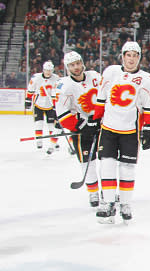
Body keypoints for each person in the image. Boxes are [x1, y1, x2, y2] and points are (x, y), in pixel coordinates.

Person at [93, 41, 150, 224]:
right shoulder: (110, 72)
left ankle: (125, 204)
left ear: (139, 58)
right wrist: (94, 120)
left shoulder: (147, 80)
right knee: (106, 165)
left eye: (135, 55)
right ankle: (107, 202)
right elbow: (101, 97)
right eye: (128, 55)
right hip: (108, 129)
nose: (131, 59)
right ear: (122, 56)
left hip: (130, 131)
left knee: (127, 169)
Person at [55, 51, 102, 207]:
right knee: (88, 162)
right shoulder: (64, 85)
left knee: (108, 160)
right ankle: (93, 193)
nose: (76, 67)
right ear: (67, 68)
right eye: (72, 65)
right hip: (82, 130)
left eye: (77, 63)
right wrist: (81, 125)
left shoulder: (95, 76)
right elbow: (62, 111)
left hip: (101, 125)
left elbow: (107, 96)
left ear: (82, 63)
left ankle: (108, 190)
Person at [25, 60, 60, 154]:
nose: (48, 72)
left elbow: (59, 93)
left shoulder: (56, 79)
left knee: (51, 125)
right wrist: (28, 100)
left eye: (50, 70)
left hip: (51, 105)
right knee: (38, 123)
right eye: (46, 70)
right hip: (38, 104)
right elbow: (30, 89)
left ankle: (53, 142)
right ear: (43, 70)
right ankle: (39, 140)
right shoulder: (36, 77)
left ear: (52, 70)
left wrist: (58, 105)